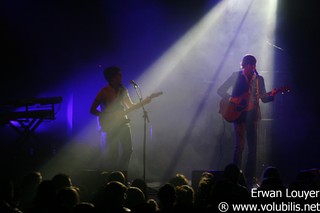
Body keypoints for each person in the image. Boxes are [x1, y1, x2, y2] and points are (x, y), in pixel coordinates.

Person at [217, 54, 276, 188]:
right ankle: (234, 178)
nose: (252, 68)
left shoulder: (259, 79)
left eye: (254, 65)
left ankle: (250, 178)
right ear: (244, 65)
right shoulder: (235, 76)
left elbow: (264, 98)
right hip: (238, 114)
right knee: (240, 146)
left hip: (252, 115)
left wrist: (272, 95)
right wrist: (233, 99)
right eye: (249, 65)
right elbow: (220, 90)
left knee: (253, 147)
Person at [90, 66, 152, 172]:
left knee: (128, 150)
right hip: (111, 125)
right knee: (113, 152)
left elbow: (130, 105)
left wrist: (144, 102)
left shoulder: (123, 90)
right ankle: (112, 177)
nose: (121, 76)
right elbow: (92, 110)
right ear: (112, 77)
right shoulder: (104, 91)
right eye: (119, 74)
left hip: (124, 122)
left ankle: (123, 175)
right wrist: (106, 116)